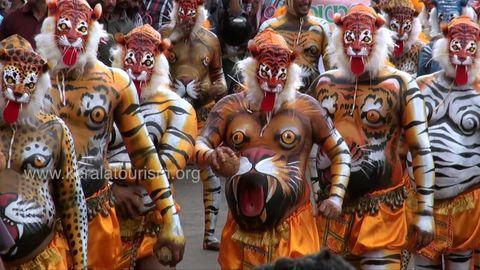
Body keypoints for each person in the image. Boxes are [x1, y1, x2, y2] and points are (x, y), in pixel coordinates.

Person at [35, 0, 185, 268]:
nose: (71, 38)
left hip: (97, 217)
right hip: (40, 217)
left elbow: (144, 153)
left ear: (92, 28)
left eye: (80, 28)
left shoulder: (115, 82)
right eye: (64, 27)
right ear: (51, 22)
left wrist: (170, 216)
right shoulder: (30, 79)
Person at [195, 28, 351, 269]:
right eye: (266, 72)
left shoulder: (306, 108)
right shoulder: (230, 106)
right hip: (240, 234)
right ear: (252, 68)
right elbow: (199, 143)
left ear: (290, 71)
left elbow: (339, 151)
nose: (271, 82)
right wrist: (212, 155)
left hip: (294, 230)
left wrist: (336, 197)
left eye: (280, 74)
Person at [314, 5, 435, 269]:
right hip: (332, 209)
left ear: (378, 37)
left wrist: (425, 210)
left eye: (365, 38)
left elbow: (421, 148)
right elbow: (304, 147)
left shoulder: (402, 84)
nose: (356, 46)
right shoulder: (324, 83)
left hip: (383, 212)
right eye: (350, 38)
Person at [107, 24, 197, 269]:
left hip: (152, 215)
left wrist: (107, 174)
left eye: (146, 61)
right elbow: (81, 157)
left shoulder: (177, 107)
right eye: (131, 59)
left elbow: (167, 170)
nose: (136, 69)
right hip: (104, 215)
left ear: (159, 59)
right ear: (120, 53)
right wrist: (110, 191)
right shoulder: (101, 97)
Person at [0, 35, 87, 269]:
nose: (17, 91)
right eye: (9, 79)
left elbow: (72, 201)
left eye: (27, 82)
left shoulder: (54, 129)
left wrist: (81, 264)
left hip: (45, 260)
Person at [411, 16, 480, 270]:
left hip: (466, 201)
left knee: (460, 264)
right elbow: (403, 139)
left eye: (470, 48)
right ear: (444, 45)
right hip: (422, 201)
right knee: (422, 265)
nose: (462, 55)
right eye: (455, 46)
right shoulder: (421, 85)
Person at [161, 0, 227, 251]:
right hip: (171, 114)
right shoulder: (165, 36)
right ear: (176, 9)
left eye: (192, 11)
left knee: (210, 175)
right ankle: (165, 226)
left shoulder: (210, 40)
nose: (187, 16)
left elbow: (219, 77)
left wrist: (215, 90)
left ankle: (210, 234)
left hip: (203, 114)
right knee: (165, 173)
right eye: (183, 10)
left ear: (199, 11)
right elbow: (156, 72)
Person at [260, 0, 330, 94]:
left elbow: (333, 73)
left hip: (311, 102)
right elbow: (255, 70)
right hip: (277, 100)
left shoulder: (322, 27)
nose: (306, 1)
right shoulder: (269, 28)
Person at [417, 0, 474, 76]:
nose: (446, 24)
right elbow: (421, 80)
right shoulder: (429, 49)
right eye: (441, 18)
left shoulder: (474, 47)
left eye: (452, 18)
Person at [382, 0, 426, 78]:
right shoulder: (380, 47)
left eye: (406, 27)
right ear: (388, 23)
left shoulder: (420, 48)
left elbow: (423, 75)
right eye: (395, 26)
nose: (400, 33)